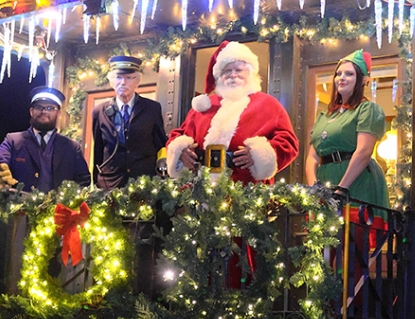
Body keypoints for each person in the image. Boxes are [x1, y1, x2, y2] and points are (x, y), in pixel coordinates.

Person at [165, 41, 299, 184]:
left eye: (238, 70)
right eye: (227, 71)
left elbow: (288, 143)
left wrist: (260, 155)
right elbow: (178, 135)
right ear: (219, 76)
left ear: (250, 72)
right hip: (202, 189)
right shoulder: (204, 106)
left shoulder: (268, 105)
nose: (233, 75)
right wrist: (181, 152)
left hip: (249, 190)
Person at [305, 49, 389, 207]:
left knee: (354, 229)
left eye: (349, 74)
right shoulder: (325, 115)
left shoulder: (367, 109)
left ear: (363, 80)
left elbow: (364, 151)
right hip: (326, 181)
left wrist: (342, 189)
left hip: (355, 183)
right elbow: (312, 157)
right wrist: (314, 189)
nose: (341, 78)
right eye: (338, 73)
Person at [0, 86, 90, 192]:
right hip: (21, 207)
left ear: (58, 113)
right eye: (39, 107)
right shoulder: (13, 140)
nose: (44, 111)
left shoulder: (72, 147)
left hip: (59, 207)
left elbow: (83, 181)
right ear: (31, 111)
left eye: (50, 108)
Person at [91, 55, 168, 190]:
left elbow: (161, 144)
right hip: (110, 184)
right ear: (112, 81)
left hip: (143, 184)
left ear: (137, 81)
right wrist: (97, 183)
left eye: (128, 78)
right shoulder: (99, 111)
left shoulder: (152, 108)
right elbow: (98, 150)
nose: (123, 82)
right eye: (118, 77)